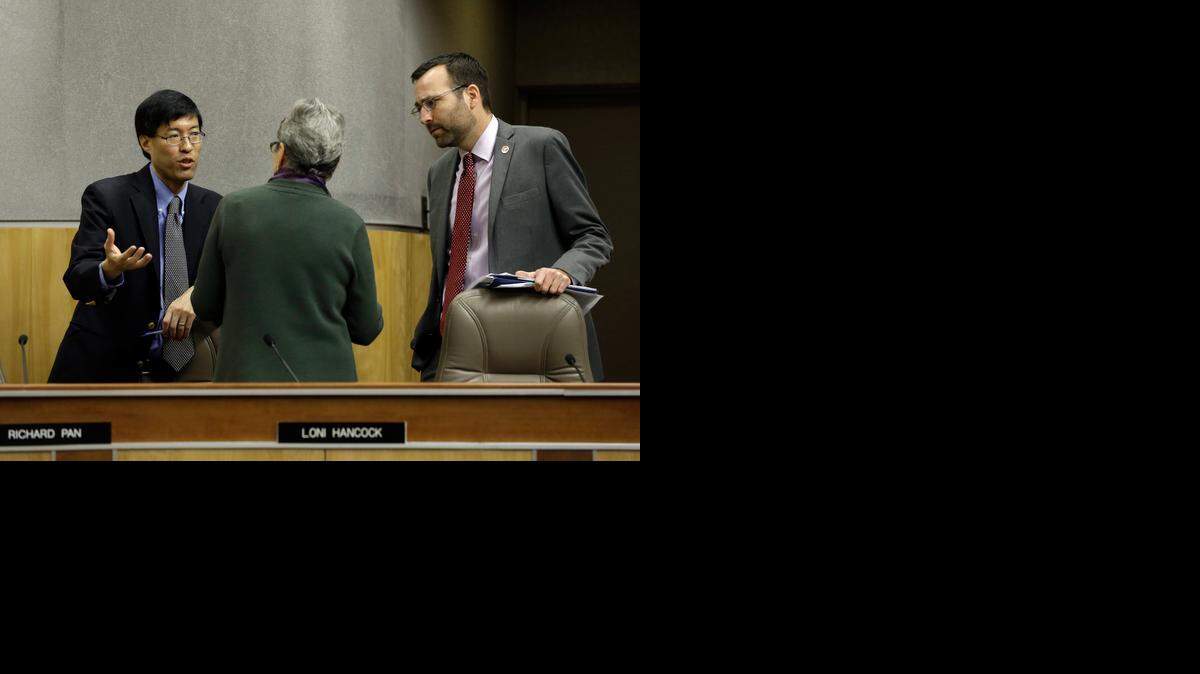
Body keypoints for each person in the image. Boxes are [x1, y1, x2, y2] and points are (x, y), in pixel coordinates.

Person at [408, 52, 613, 381]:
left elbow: (593, 237)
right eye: (419, 107)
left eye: (432, 103)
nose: (424, 117)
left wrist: (563, 271)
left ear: (471, 95)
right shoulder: (440, 173)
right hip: (454, 352)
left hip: (534, 346)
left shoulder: (541, 146)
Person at [192, 98, 383, 382]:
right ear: (335, 163)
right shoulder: (348, 224)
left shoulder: (234, 208)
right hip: (325, 393)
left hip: (243, 387)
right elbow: (366, 329)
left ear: (281, 152)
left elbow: (205, 304)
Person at [49, 90, 222, 382]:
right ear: (146, 142)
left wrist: (197, 293)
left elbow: (229, 277)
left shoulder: (214, 206)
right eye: (173, 136)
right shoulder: (107, 197)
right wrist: (109, 270)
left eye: (194, 134)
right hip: (105, 367)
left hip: (183, 372)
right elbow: (77, 280)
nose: (187, 147)